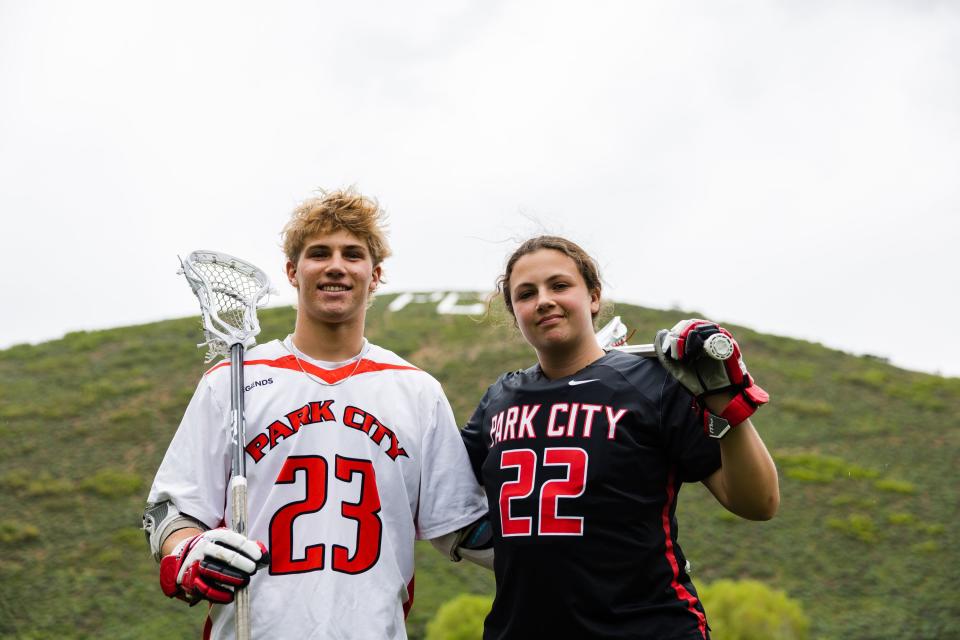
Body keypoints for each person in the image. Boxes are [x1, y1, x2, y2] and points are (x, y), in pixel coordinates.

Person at [142, 188, 488, 640]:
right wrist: (186, 550)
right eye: (319, 253)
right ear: (292, 271)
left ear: (375, 274)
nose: (336, 266)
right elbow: (170, 509)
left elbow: (459, 526)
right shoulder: (232, 380)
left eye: (353, 254)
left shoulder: (415, 390)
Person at [459, 235, 780, 640]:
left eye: (559, 286)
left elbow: (758, 502)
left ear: (593, 297)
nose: (543, 300)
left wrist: (726, 401)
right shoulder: (498, 400)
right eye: (526, 293)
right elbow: (440, 486)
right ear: (515, 312)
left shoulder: (653, 385)